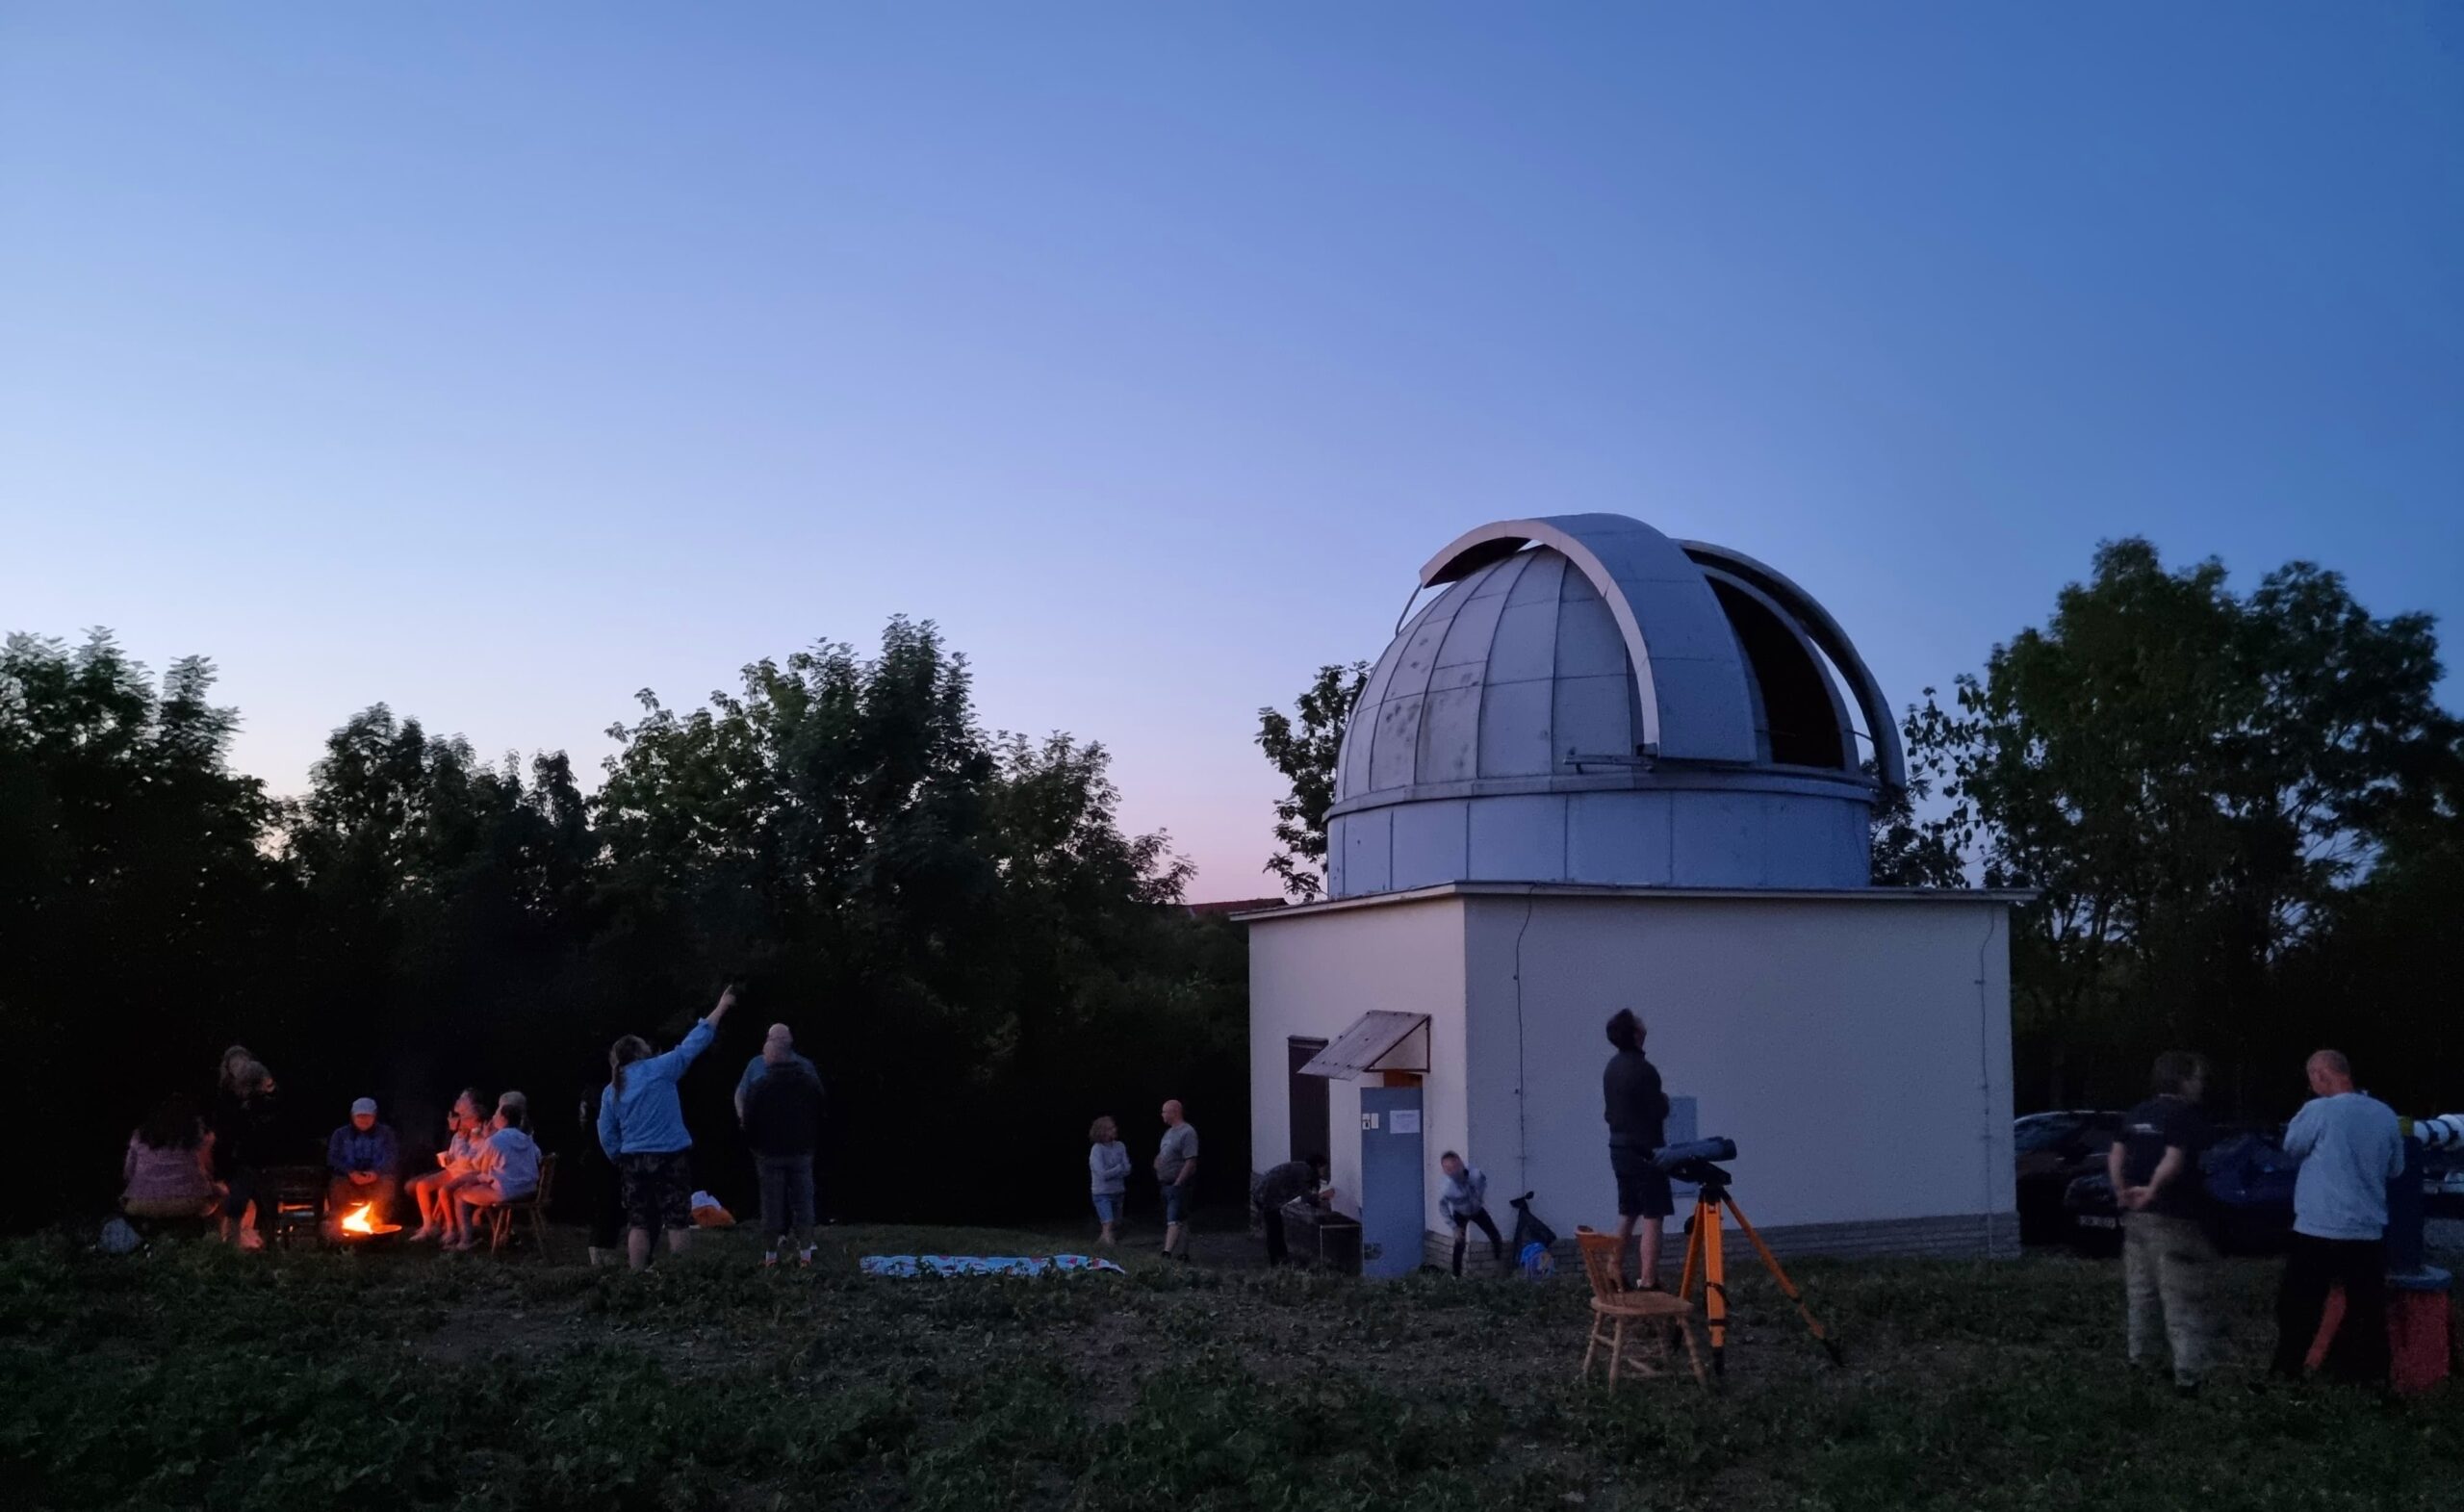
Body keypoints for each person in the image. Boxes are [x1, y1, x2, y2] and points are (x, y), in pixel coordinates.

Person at [2271, 1049, 2405, 1386]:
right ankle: (2369, 1377)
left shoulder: (2318, 1110)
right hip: (2367, 1230)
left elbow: (2292, 1146)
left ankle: (2288, 1370)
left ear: (2319, 1075)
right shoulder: (2386, 1114)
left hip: (2318, 1227)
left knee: (2299, 1303)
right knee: (2367, 1309)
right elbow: (2396, 1169)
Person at [599, 985, 737, 1271]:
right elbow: (695, 1042)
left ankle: (636, 1277)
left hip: (633, 1160)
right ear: (641, 1051)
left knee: (638, 1222)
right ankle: (681, 1279)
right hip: (670, 1157)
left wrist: (617, 1156)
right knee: (677, 1220)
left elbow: (606, 1131)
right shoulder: (661, 1068)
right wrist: (721, 1007)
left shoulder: (612, 1089)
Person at [2109, 1051, 2217, 1395]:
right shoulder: (2184, 1115)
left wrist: (2122, 1190)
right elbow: (2173, 1158)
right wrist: (2153, 1190)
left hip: (2137, 1220)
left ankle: (2141, 1363)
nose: (2200, 1085)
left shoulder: (2139, 1112)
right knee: (2182, 1298)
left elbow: (2116, 1154)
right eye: (2197, 1078)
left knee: (2141, 1294)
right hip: (2175, 1219)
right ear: (2182, 1080)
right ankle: (2189, 1377)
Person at [1603, 1010, 1672, 1288]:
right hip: (1645, 1151)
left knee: (1628, 1210)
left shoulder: (1611, 1068)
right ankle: (1649, 1280)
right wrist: (1664, 1100)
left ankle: (1613, 1267)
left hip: (1618, 1148)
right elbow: (1658, 1110)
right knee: (1653, 1215)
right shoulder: (1645, 1070)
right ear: (1635, 1033)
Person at [742, 1039, 826, 1268]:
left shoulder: (761, 1086)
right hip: (802, 1151)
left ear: (773, 1056)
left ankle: (771, 1256)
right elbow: (822, 1111)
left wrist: (756, 1146)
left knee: (771, 1204)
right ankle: (806, 1253)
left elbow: (749, 1120)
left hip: (769, 1154)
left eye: (765, 1053)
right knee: (804, 1201)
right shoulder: (809, 1083)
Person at [445, 1092, 541, 1252]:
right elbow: (538, 1156)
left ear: (503, 1118)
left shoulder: (495, 1140)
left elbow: (478, 1164)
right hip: (530, 1190)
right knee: (481, 1185)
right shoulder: (527, 1138)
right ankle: (500, 1232)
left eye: (496, 1114)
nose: (493, 1117)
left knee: (459, 1194)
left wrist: (486, 1138)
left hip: (507, 1192)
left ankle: (465, 1240)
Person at [213, 1057, 279, 1250]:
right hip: (241, 1160)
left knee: (261, 1204)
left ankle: (263, 1245)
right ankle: (235, 1246)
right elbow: (225, 1133)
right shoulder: (230, 1101)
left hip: (258, 1159)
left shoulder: (261, 1102)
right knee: (239, 1204)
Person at [407, 1089, 488, 1243]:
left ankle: (451, 1228)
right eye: (464, 1118)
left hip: (467, 1173)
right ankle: (428, 1226)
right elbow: (452, 1152)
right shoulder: (458, 1133)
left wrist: (463, 1140)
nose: (463, 1121)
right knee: (422, 1186)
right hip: (453, 1169)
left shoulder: (480, 1137)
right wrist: (447, 1158)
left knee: (444, 1191)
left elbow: (468, 1161)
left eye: (468, 1118)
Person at [122, 1094, 218, 1219]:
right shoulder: (197, 1134)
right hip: (190, 1202)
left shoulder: (140, 1135)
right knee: (221, 1198)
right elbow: (208, 1168)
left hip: (141, 1203)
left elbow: (129, 1172)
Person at [326, 1096, 401, 1233]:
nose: (364, 1120)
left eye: (368, 1116)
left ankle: (377, 1223)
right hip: (348, 1177)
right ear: (352, 1116)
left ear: (374, 1116)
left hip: (377, 1177)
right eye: (360, 1116)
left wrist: (376, 1173)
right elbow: (333, 1158)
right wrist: (350, 1172)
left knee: (387, 1184)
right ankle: (340, 1225)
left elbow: (392, 1156)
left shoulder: (386, 1134)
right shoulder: (340, 1134)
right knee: (337, 1185)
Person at [1438, 1151, 1506, 1278]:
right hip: (1460, 1213)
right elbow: (1442, 1207)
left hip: (1477, 1210)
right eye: (1448, 1169)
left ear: (1461, 1163)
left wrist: (1479, 1198)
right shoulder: (1446, 1188)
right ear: (1444, 1171)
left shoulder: (1476, 1175)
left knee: (1495, 1235)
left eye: (1455, 1167)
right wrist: (1454, 1227)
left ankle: (1499, 1269)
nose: (1453, 1171)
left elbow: (1484, 1184)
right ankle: (1456, 1277)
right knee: (1460, 1243)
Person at [734, 1022, 818, 1123]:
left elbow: (817, 1097)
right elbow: (741, 1093)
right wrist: (742, 1115)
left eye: (783, 1038)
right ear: (768, 1040)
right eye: (774, 1039)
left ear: (790, 1039)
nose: (779, 1042)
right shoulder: (755, 1063)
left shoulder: (805, 1066)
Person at [579, 1085, 625, 1267]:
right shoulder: (602, 1117)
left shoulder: (590, 1119)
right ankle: (600, 1251)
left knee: (606, 1207)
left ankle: (601, 1249)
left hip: (597, 1158)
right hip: (603, 1160)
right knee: (607, 1206)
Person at [1251, 1154, 1324, 1267]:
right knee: (1274, 1229)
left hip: (1266, 1195)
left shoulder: (1301, 1168)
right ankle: (1277, 1261)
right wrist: (1320, 1199)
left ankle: (1281, 1258)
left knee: (1276, 1228)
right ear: (1318, 1165)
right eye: (1323, 1169)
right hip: (1267, 1196)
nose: (1323, 1173)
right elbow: (1305, 1194)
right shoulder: (1304, 1171)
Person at [1156, 1099, 1199, 1261]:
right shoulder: (1168, 1133)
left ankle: (1166, 1253)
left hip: (1178, 1183)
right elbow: (1163, 1154)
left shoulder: (1187, 1132)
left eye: (1164, 1111)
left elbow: (1190, 1160)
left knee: (1173, 1218)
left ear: (1174, 1112)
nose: (1162, 1115)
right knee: (1181, 1218)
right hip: (1165, 1182)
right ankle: (1183, 1253)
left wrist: (1179, 1182)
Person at [1088, 1115, 1132, 1247]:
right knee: (1108, 1221)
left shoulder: (1120, 1146)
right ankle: (1110, 1247)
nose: (1114, 1130)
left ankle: (1101, 1244)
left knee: (1115, 1222)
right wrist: (1118, 1169)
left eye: (1114, 1127)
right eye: (1110, 1128)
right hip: (1102, 1192)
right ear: (1102, 1131)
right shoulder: (1097, 1149)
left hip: (1118, 1191)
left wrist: (1118, 1170)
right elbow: (1102, 1174)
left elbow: (1127, 1168)